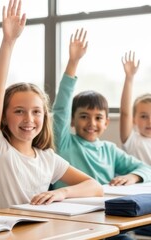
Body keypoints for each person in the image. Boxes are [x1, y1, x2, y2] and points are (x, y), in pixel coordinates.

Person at [0, 0, 102, 210]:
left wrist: (62, 192)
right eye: (19, 111)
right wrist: (8, 42)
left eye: (36, 112)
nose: (29, 119)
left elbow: (94, 186)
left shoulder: (48, 159)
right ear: (4, 117)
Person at [52, 28, 151, 189]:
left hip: (103, 209)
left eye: (98, 118)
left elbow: (146, 169)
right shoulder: (64, 142)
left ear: (106, 122)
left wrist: (133, 177)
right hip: (67, 207)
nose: (92, 123)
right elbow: (61, 108)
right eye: (84, 116)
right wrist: (73, 62)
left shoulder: (109, 150)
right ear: (72, 120)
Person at [120, 51, 151, 165]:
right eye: (144, 116)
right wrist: (129, 78)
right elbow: (125, 113)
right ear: (134, 119)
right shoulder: (132, 141)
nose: (150, 121)